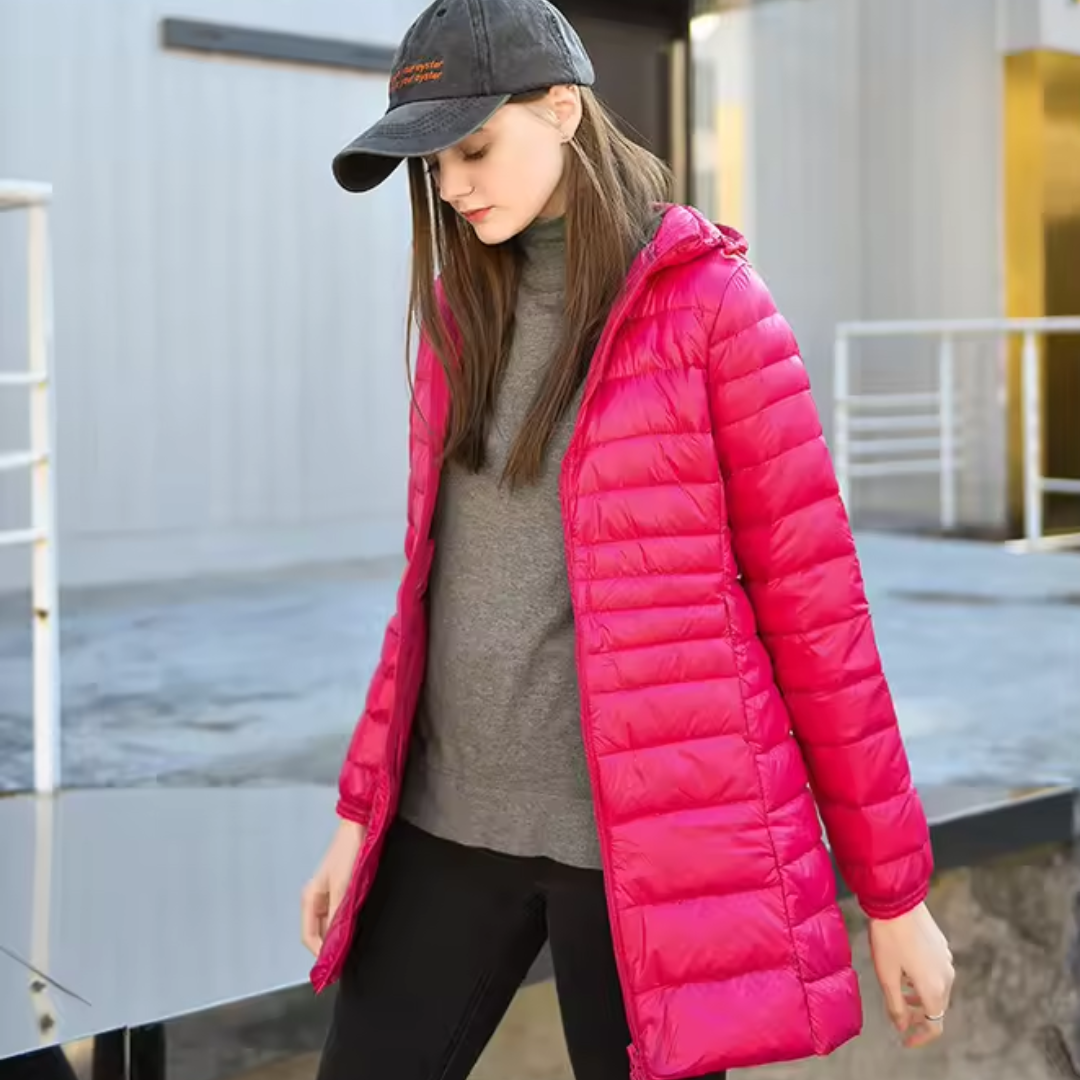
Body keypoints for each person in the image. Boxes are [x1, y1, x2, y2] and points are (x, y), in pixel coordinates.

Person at [300, 1, 956, 1078]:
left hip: (644, 857)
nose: (453, 186)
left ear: (562, 109)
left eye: (474, 147)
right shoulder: (461, 313)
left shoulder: (714, 310)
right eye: (434, 164)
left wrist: (895, 896)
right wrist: (357, 812)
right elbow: (432, 592)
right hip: (443, 826)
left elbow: (819, 618)